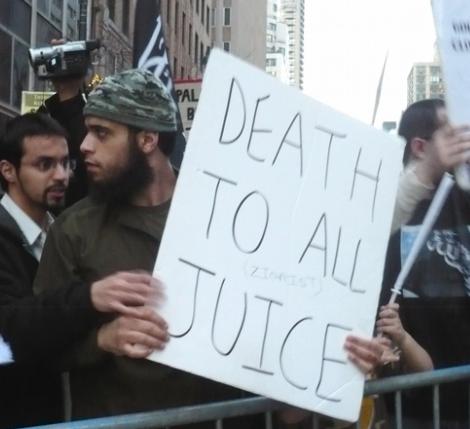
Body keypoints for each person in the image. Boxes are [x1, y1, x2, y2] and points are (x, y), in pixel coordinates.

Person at [34, 69, 390, 425]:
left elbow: (285, 317)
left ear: (147, 140)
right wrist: (103, 339)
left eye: (102, 133)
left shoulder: (235, 213)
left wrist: (340, 358)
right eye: (88, 131)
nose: (85, 145)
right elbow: (40, 341)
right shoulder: (73, 231)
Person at [0, 112, 161, 428]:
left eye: (66, 163)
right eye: (44, 165)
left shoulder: (64, 231)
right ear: (8, 170)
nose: (61, 176)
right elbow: (8, 332)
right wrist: (89, 298)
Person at [381, 99, 470, 428]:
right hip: (411, 403)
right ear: (420, 146)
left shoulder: (463, 195)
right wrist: (429, 169)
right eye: (449, 131)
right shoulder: (385, 202)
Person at [38, 39, 89, 206]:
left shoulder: (90, 116)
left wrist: (69, 93)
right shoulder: (44, 115)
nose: (60, 176)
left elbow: (87, 163)